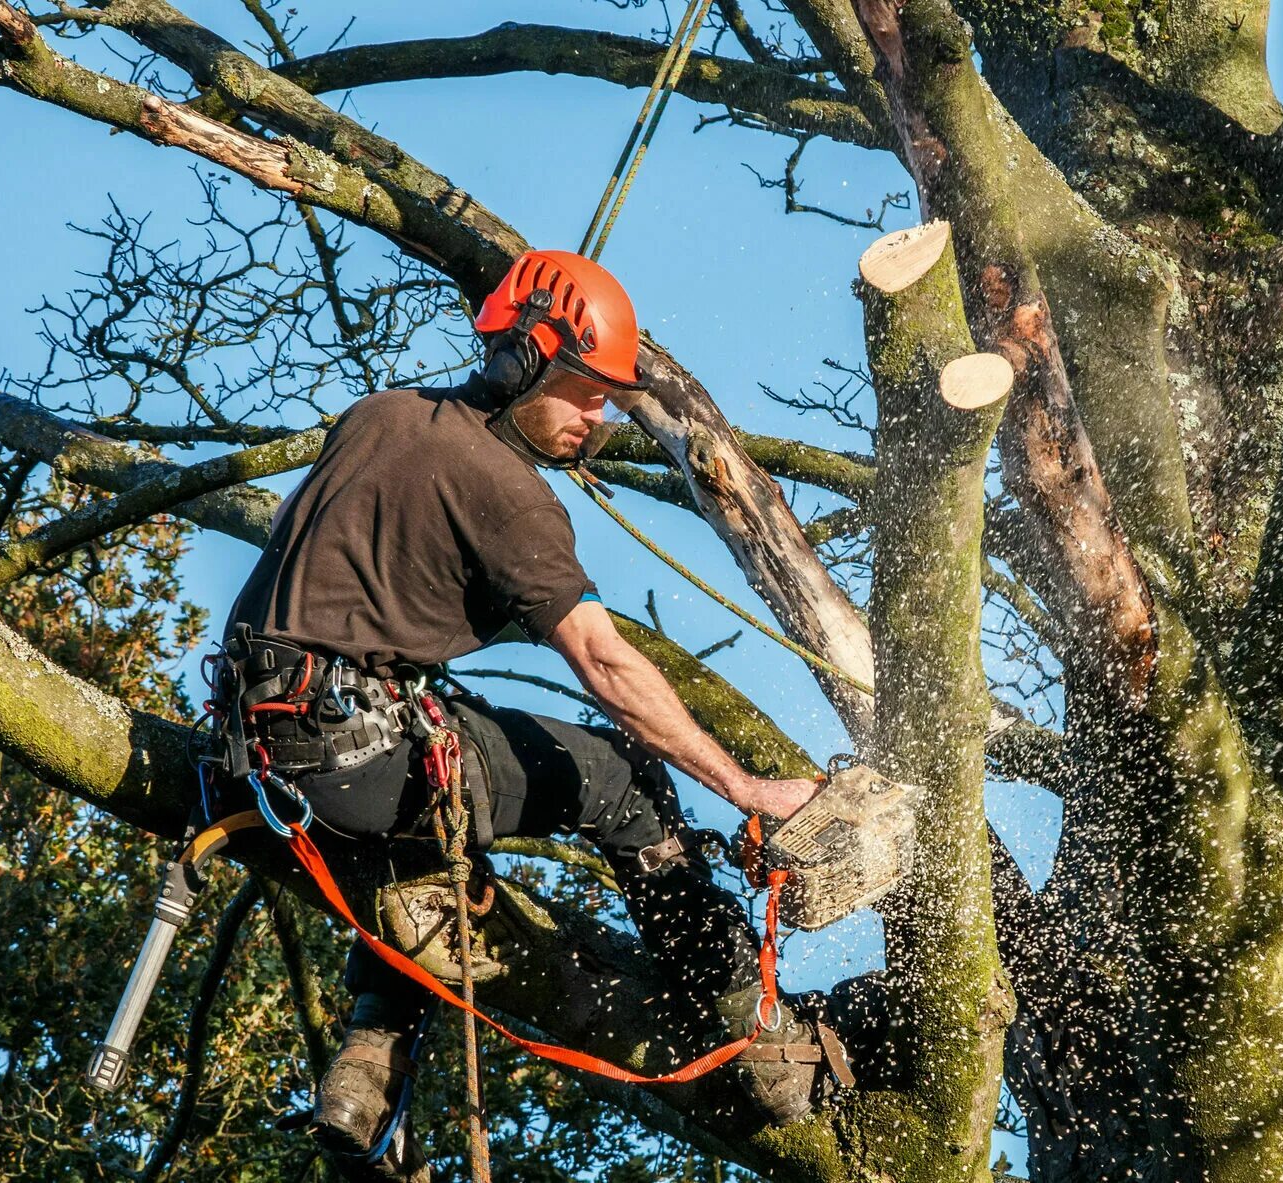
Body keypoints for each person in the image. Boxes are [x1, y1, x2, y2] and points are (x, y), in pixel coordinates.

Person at [219, 250, 847, 1173]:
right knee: (622, 776)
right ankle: (754, 1034)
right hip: (353, 758)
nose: (596, 420)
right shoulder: (508, 492)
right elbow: (602, 658)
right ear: (522, 363)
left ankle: (368, 1058)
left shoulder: (378, 417)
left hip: (256, 750)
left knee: (443, 773)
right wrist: (745, 786)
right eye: (585, 394)